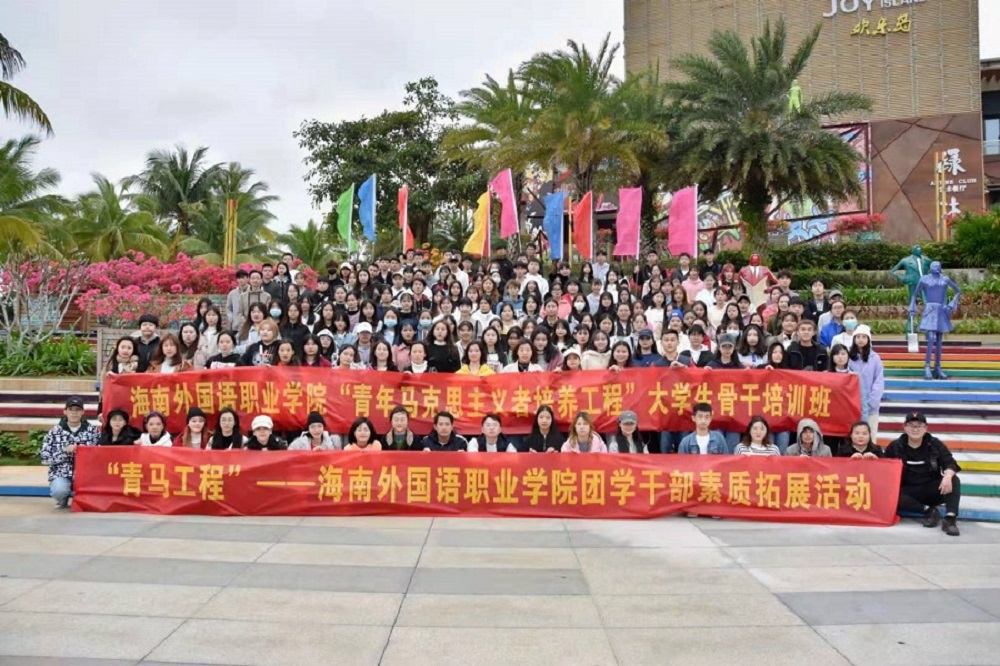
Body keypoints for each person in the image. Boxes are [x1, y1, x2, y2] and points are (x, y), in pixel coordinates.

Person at [884, 412, 961, 536]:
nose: (915, 429)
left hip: (932, 489)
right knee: (888, 493)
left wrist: (948, 475)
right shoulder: (895, 446)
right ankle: (928, 511)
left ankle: (950, 520)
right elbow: (884, 467)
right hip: (908, 492)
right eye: (911, 425)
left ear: (926, 428)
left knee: (954, 479)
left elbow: (950, 463)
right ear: (905, 427)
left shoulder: (935, 444)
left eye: (919, 426)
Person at [41, 396, 100, 507]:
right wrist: (64, 452)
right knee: (59, 491)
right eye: (71, 409)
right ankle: (62, 498)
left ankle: (84, 500)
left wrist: (85, 450)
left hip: (86, 474)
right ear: (65, 411)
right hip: (62, 473)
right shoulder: (54, 432)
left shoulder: (93, 431)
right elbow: (45, 458)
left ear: (82, 412)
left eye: (77, 410)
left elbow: (100, 453)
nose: (74, 413)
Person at [909, 261, 962, 380]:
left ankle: (937, 366)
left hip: (941, 310)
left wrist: (951, 303)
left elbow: (958, 291)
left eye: (938, 267)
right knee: (931, 337)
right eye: (934, 267)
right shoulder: (924, 279)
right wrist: (913, 307)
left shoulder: (945, 279)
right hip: (930, 310)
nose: (936, 268)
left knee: (939, 339)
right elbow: (915, 294)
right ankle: (927, 366)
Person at [848, 324, 884, 441]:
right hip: (851, 405)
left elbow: (878, 382)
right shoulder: (848, 357)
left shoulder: (875, 358)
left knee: (870, 436)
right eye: (858, 337)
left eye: (864, 337)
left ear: (868, 339)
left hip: (870, 407)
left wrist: (872, 402)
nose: (861, 339)